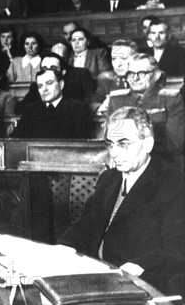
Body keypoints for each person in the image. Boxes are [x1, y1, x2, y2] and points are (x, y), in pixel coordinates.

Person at [58, 107, 184, 297]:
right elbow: (86, 225)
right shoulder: (109, 178)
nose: (114, 153)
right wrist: (63, 247)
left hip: (140, 285)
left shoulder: (173, 182)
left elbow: (176, 247)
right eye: (110, 144)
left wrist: (139, 266)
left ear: (148, 143)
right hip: (97, 277)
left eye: (124, 144)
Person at [106, 53, 184, 168]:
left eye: (141, 73)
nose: (135, 78)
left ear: (156, 75)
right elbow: (109, 140)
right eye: (131, 73)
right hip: (124, 164)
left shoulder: (170, 99)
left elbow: (175, 144)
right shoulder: (116, 100)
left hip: (162, 164)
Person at [11, 69, 91, 138]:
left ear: (61, 84)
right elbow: (15, 140)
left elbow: (80, 144)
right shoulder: (31, 110)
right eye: (40, 86)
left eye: (49, 83)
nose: (44, 89)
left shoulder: (78, 108)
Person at [17, 51, 96, 113]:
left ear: (63, 72)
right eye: (44, 68)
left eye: (53, 68)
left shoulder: (74, 89)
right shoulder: (36, 87)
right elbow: (19, 109)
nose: (48, 72)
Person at [92, 39, 138, 113]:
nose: (118, 64)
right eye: (114, 59)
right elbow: (94, 103)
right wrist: (102, 108)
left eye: (123, 58)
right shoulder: (106, 79)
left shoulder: (145, 78)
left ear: (136, 58)